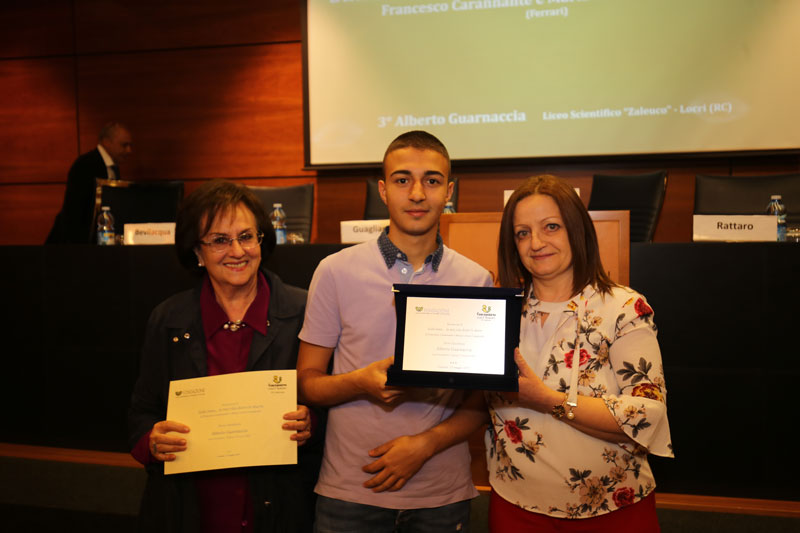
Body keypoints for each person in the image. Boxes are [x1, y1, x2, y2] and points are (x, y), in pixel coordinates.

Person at [297, 130, 493, 531]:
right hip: (350, 489)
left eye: (432, 181)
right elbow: (306, 384)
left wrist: (424, 446)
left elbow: (480, 403)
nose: (417, 193)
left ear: (449, 191)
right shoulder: (335, 271)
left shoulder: (476, 280)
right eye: (403, 180)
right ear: (384, 191)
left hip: (441, 494)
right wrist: (360, 382)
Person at [128, 180, 319, 533]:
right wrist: (153, 440)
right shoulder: (168, 320)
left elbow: (335, 408)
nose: (237, 251)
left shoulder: (305, 311)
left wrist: (312, 423)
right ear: (197, 252)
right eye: (219, 240)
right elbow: (141, 413)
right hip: (188, 509)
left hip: (282, 507)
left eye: (247, 236)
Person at [487, 175, 673, 531]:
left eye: (551, 227)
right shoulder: (497, 310)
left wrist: (548, 400)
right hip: (515, 506)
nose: (536, 242)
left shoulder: (624, 308)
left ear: (577, 230)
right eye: (522, 232)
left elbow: (648, 414)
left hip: (612, 508)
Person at [46, 121, 133, 243]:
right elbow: (74, 212)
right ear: (106, 142)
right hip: (76, 246)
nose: (129, 150)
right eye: (124, 145)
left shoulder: (113, 167)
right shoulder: (85, 165)